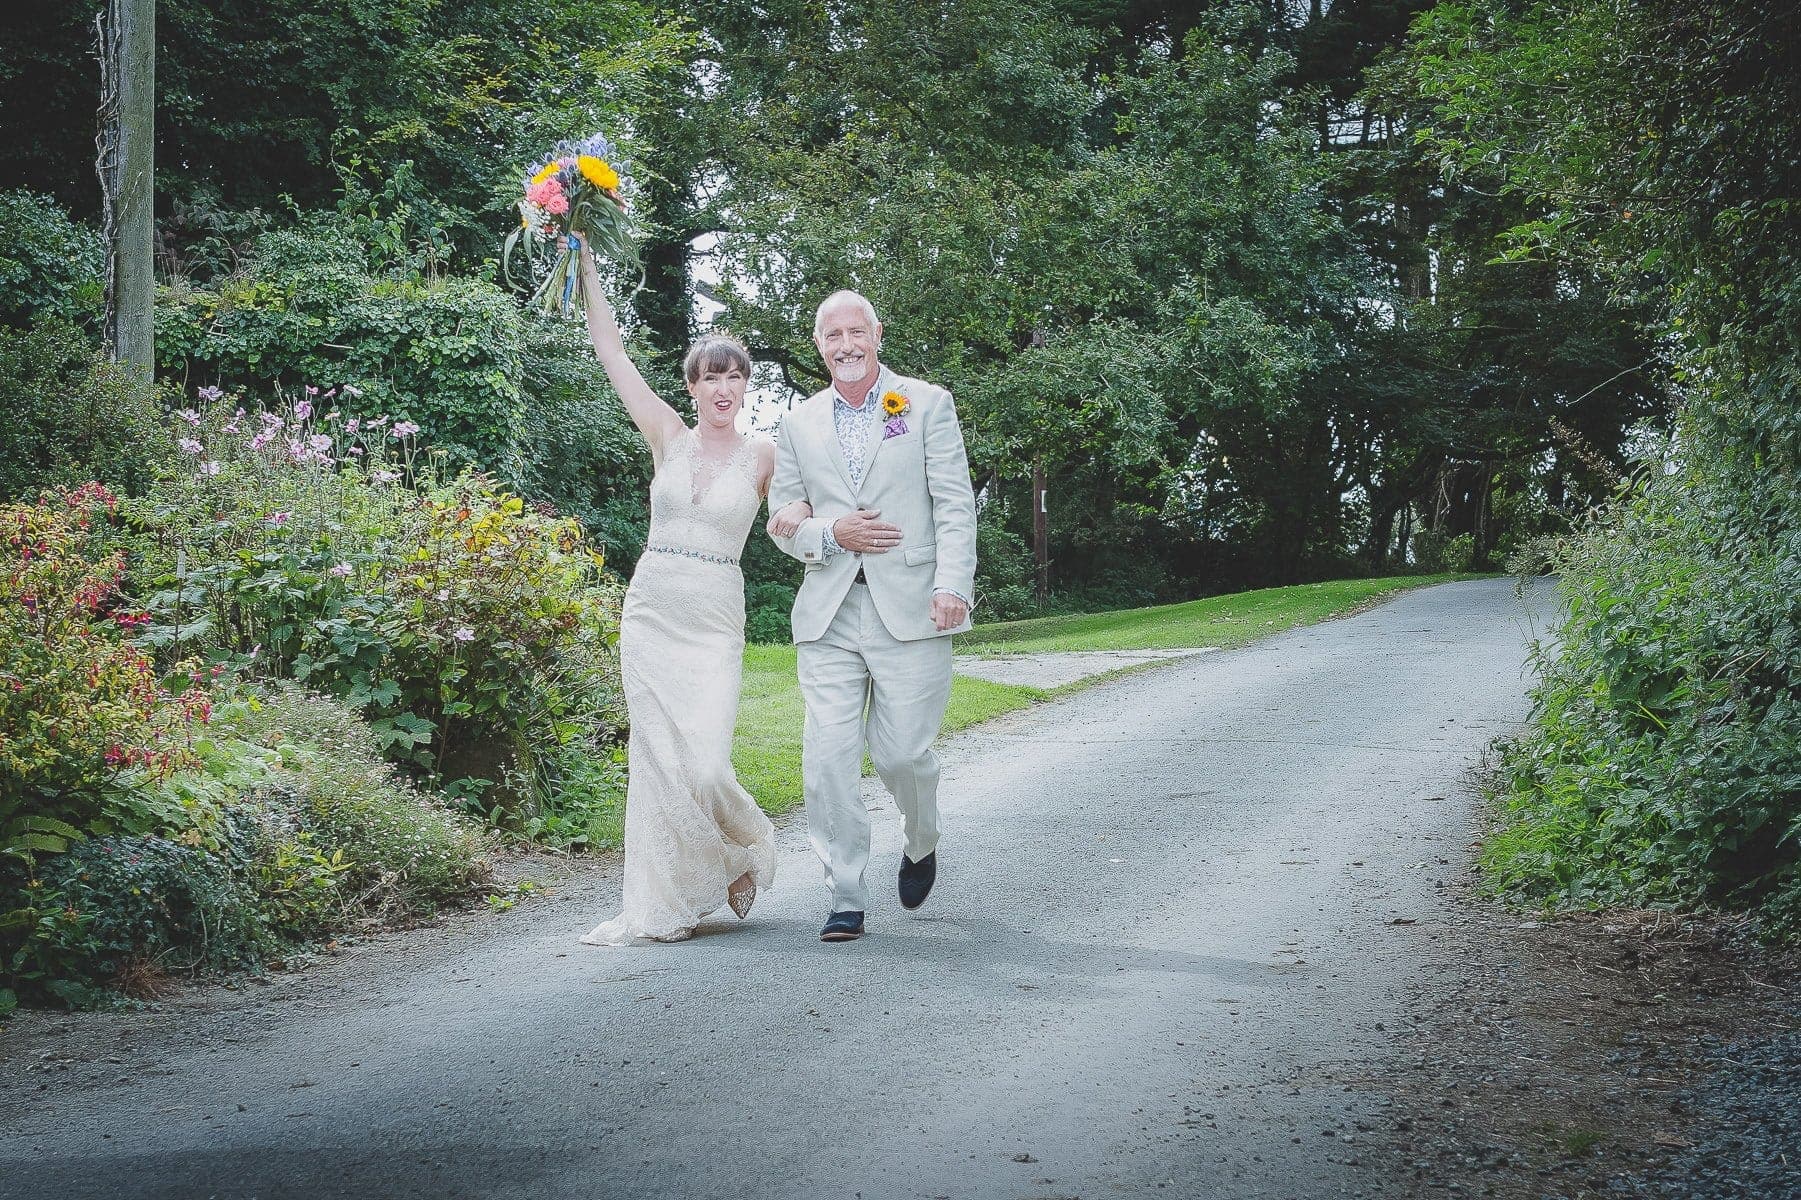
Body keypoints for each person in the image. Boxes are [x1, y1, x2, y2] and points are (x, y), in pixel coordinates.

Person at [571, 237, 777, 946]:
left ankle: (739, 849)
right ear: (691, 388)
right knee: (658, 763)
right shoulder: (667, 436)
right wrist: (587, 264)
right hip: (652, 609)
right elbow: (613, 355)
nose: (722, 388)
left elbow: (800, 517)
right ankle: (668, 898)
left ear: (746, 387)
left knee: (708, 763)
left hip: (715, 618)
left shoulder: (765, 456)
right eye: (709, 378)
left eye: (734, 378)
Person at [766, 290, 977, 942]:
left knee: (901, 753)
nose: (846, 345)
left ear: (877, 334)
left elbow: (952, 505)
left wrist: (952, 587)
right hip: (828, 612)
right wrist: (830, 533)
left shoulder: (925, 404)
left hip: (912, 607)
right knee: (825, 758)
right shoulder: (797, 423)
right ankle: (845, 895)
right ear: (818, 345)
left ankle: (921, 838)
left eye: (856, 332)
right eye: (833, 335)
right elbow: (782, 520)